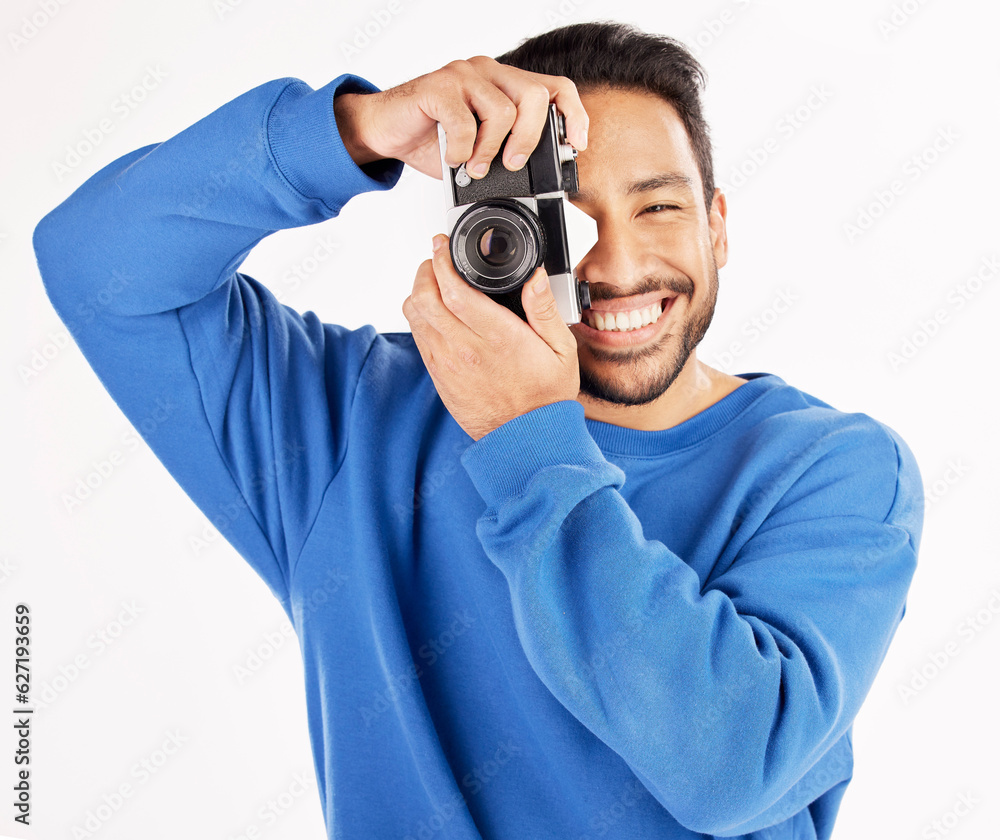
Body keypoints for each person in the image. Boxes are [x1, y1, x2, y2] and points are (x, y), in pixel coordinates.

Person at [34, 20, 922, 840]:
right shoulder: (350, 422)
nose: (614, 266)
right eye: (567, 224)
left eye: (658, 208)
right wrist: (348, 134)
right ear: (496, 230)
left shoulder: (832, 470)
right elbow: (95, 260)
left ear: (718, 227)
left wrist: (528, 438)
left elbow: (731, 765)